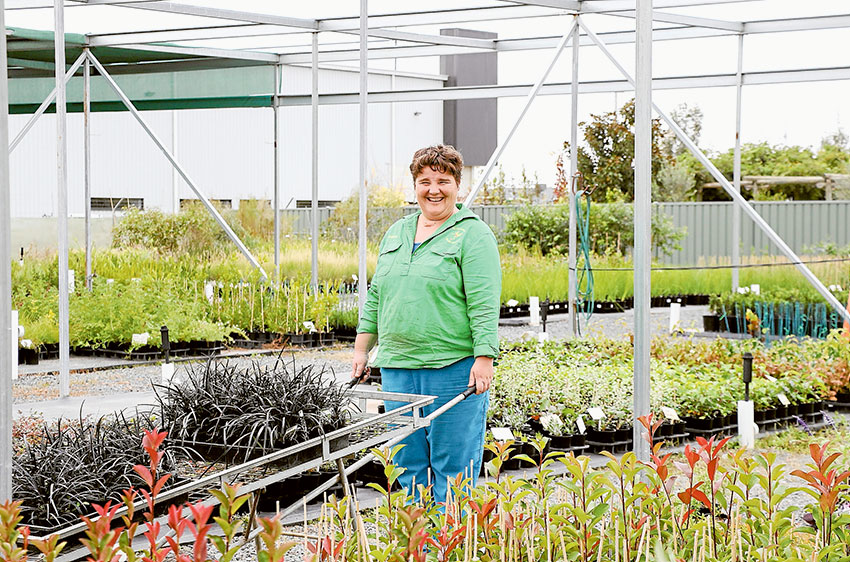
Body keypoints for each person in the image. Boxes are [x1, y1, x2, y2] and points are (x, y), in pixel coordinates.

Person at [351, 144, 501, 505]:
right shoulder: (397, 233)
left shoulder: (473, 235)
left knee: (454, 466)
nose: (434, 189)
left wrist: (485, 358)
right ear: (415, 185)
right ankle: (416, 543)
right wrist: (361, 348)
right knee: (406, 464)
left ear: (458, 186)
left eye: (443, 181)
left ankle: (448, 547)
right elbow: (377, 295)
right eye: (425, 181)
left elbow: (484, 302)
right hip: (399, 367)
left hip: (452, 368)